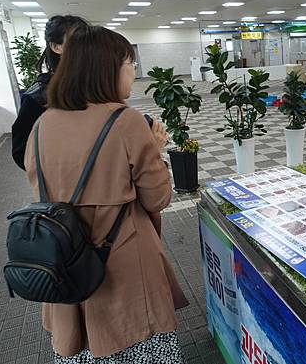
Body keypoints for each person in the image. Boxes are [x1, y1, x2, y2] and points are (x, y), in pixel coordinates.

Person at [23, 25, 188, 363]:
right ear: (107, 68)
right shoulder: (125, 121)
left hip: (64, 261)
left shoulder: (42, 124)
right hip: (122, 266)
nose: (134, 71)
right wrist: (155, 150)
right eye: (130, 63)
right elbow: (158, 199)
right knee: (136, 345)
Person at [12, 15, 88, 170]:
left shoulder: (94, 85)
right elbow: (21, 152)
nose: (85, 47)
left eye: (88, 41)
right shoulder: (38, 96)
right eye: (77, 40)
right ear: (56, 47)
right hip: (65, 184)